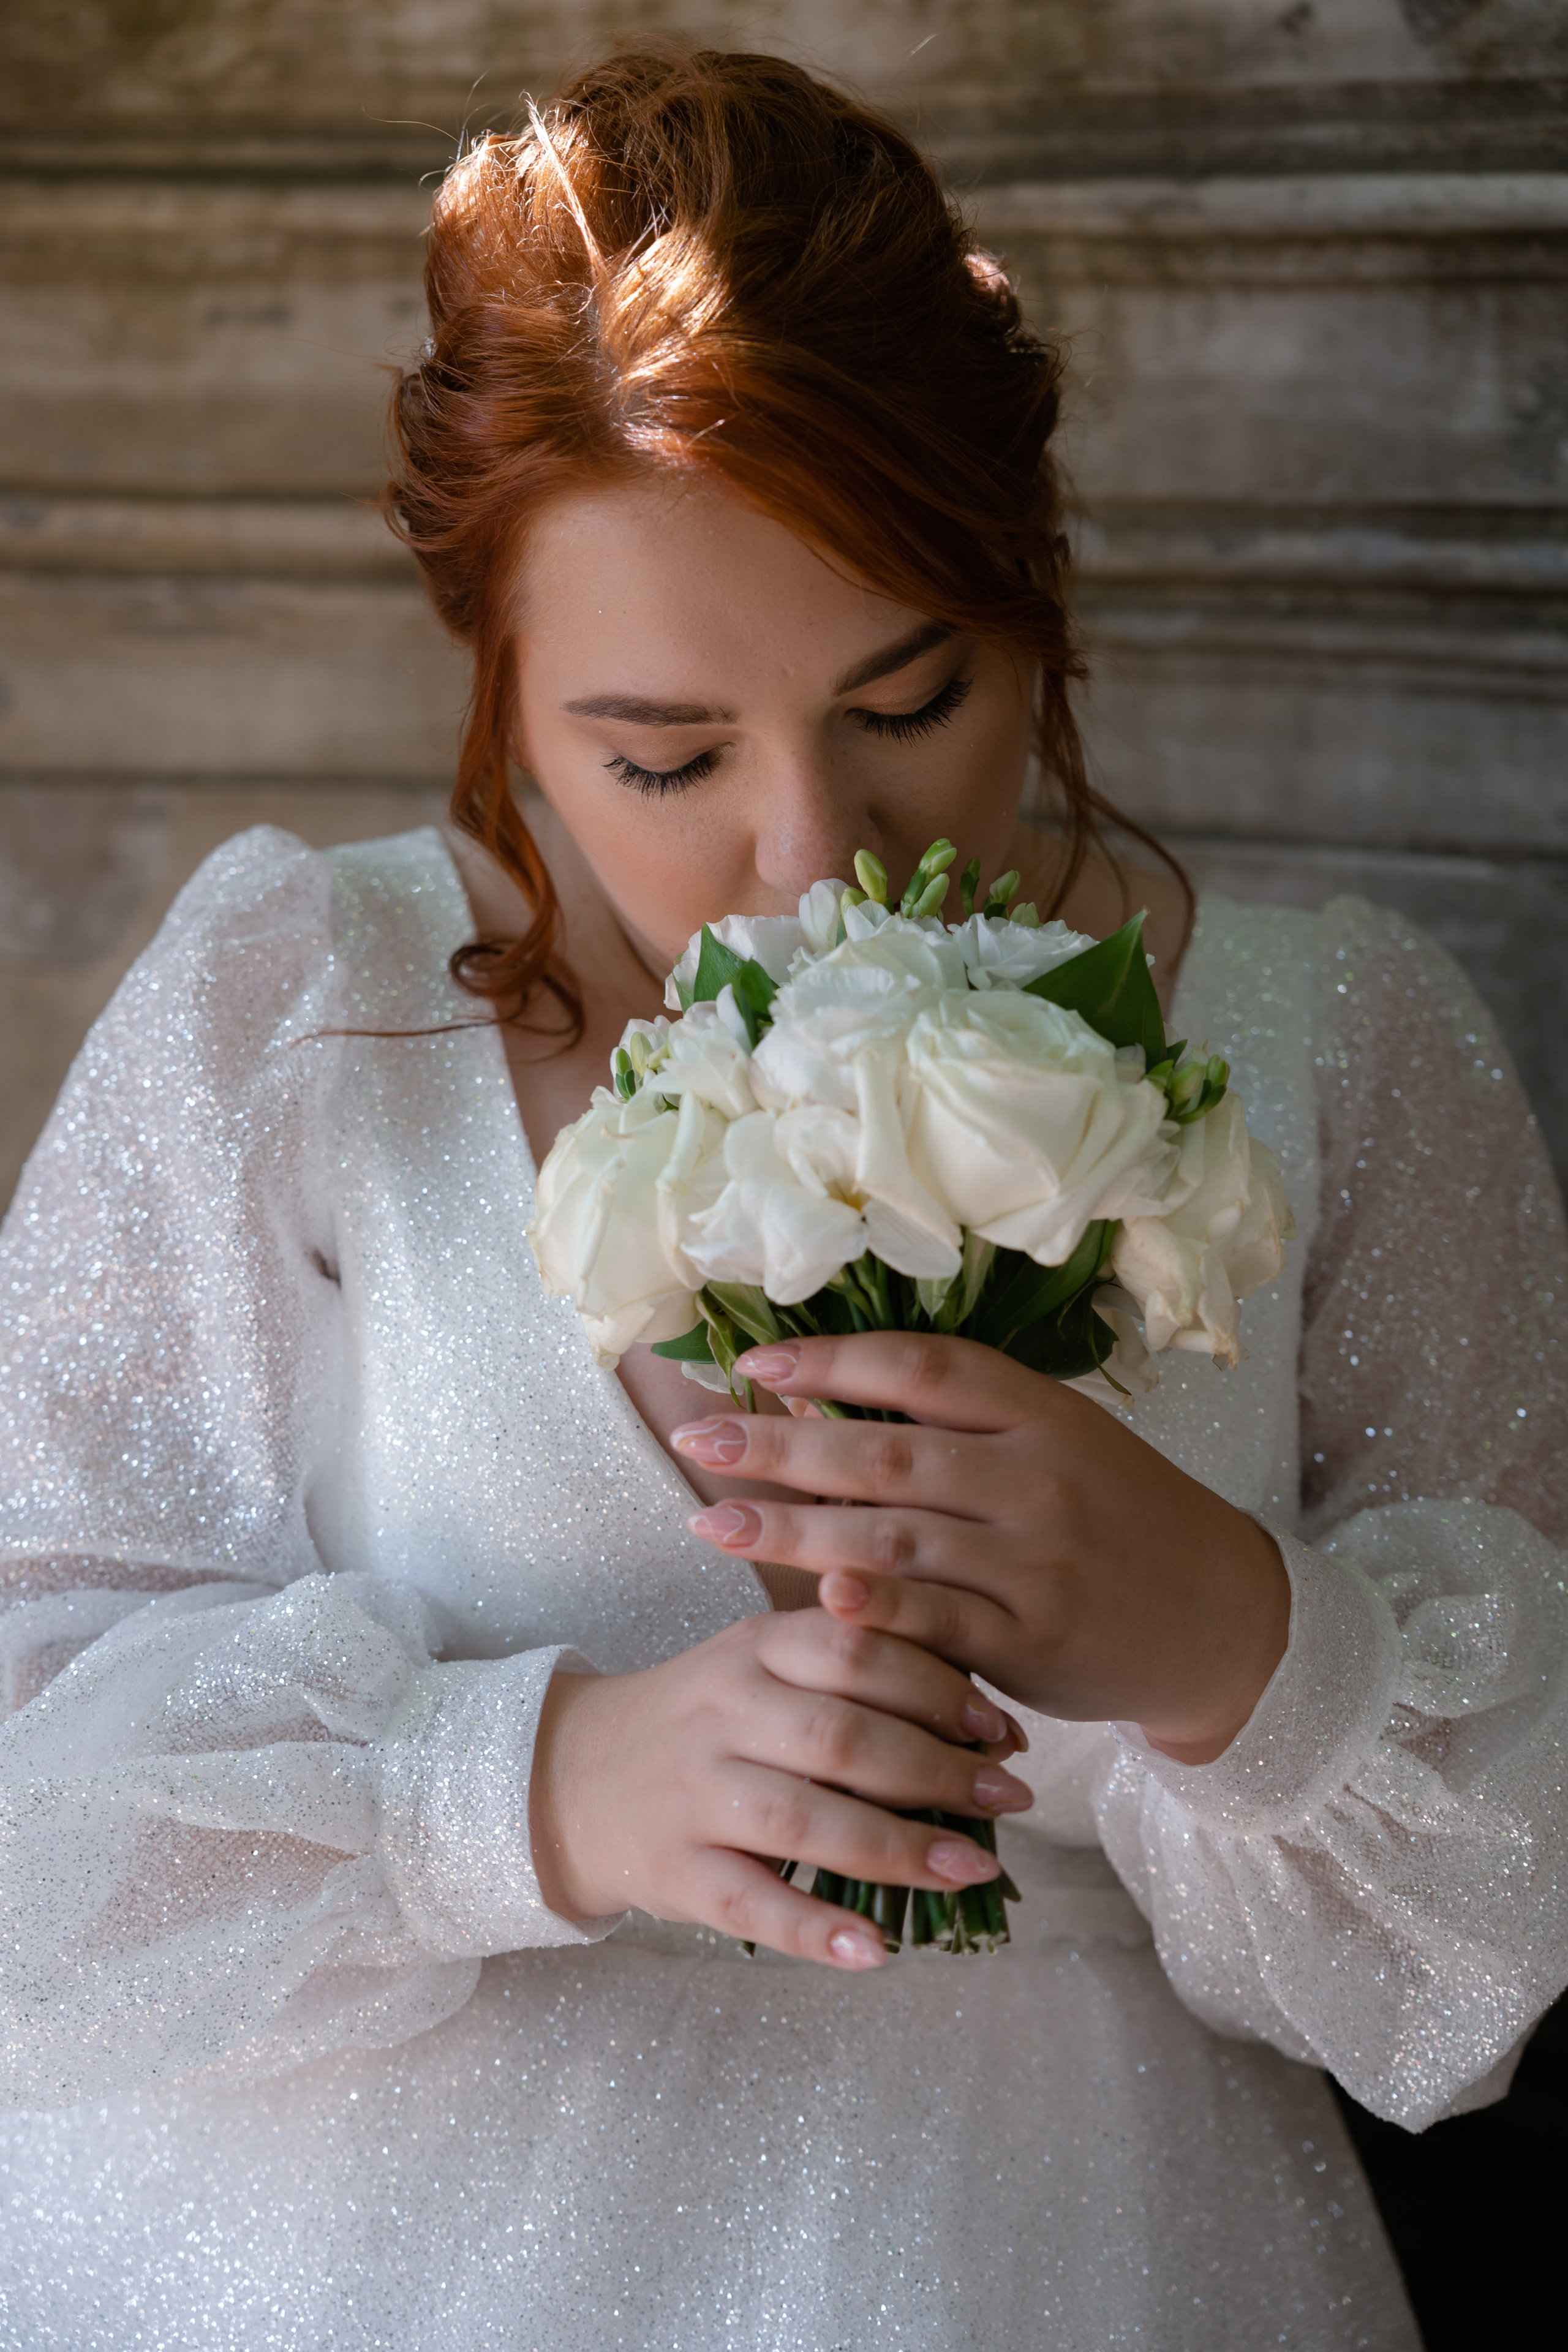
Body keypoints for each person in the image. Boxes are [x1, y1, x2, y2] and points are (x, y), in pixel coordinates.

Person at [0, 45, 1562, 2350]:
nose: (814, 855)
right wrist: (514, 1787)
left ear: (1032, 601)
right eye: (659, 756)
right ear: (502, 706)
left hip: (1066, 2258)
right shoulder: (299, 1014)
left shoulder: (1344, 1052)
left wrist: (1246, 1645)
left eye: (913, 698)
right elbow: (32, 1806)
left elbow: (1488, 1950)